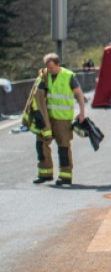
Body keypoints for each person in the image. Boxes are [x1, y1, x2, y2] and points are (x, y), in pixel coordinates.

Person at [22, 53, 86, 185]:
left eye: (52, 68)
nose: (50, 71)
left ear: (58, 64)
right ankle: (45, 173)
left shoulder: (68, 76)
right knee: (41, 144)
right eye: (48, 68)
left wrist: (82, 112)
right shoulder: (44, 77)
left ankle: (65, 175)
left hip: (62, 119)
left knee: (63, 147)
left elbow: (79, 94)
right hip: (46, 118)